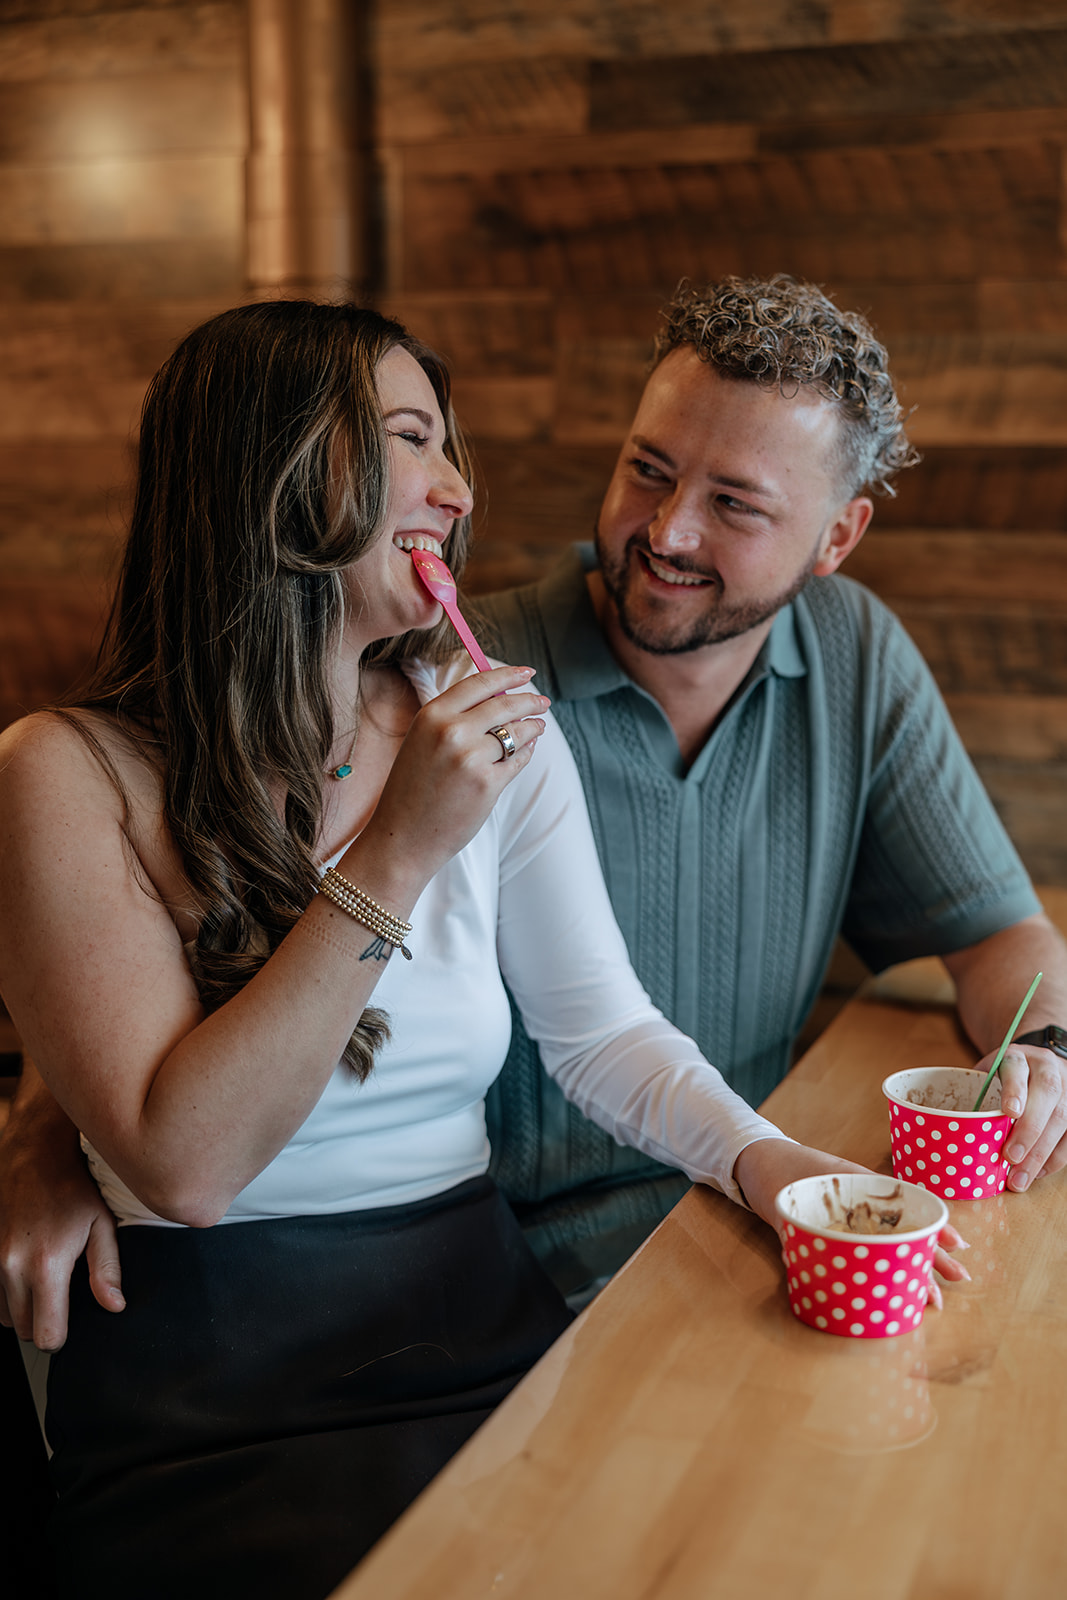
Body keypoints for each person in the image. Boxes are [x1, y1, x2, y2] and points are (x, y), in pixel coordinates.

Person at [0, 300, 926, 1599]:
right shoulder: (62, 773)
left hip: (466, 1307)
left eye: (450, 447)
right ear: (266, 466)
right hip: (208, 1375)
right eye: (407, 439)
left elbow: (603, 1034)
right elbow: (188, 1164)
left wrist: (772, 1169)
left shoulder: (488, 727)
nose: (455, 487)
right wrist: (393, 856)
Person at [477, 274, 1067, 1298]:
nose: (665, 531)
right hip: (501, 1262)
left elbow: (998, 941)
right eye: (645, 471)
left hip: (749, 1208)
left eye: (732, 504)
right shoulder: (468, 667)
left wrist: (1047, 1053)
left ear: (836, 538)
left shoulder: (852, 654)